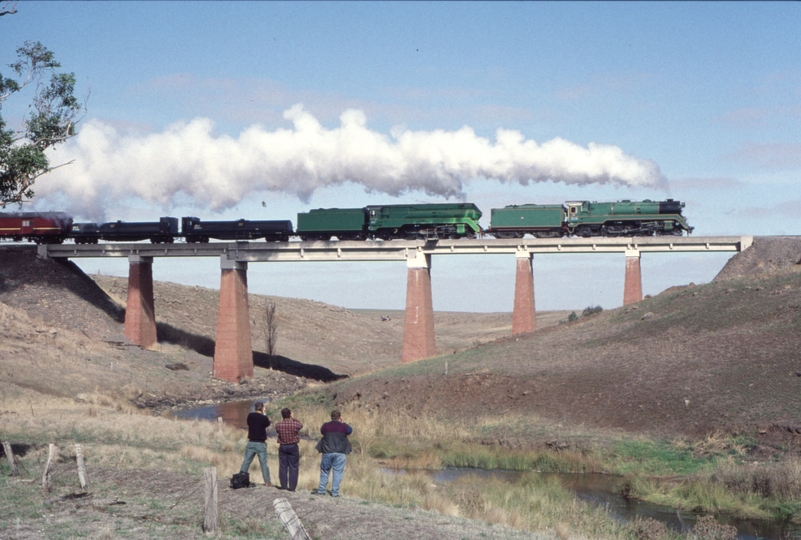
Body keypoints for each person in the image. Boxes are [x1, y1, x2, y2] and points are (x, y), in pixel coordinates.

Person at [312, 409, 352, 497]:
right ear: (339, 417)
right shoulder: (344, 426)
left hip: (327, 452)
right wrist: (343, 422)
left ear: (331, 417)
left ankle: (321, 490)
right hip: (340, 452)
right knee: (338, 472)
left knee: (325, 471)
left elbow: (322, 432)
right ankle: (335, 492)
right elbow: (350, 430)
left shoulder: (325, 426)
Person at [239, 401, 272, 486]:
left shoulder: (250, 416)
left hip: (251, 442)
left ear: (255, 408)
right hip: (260, 443)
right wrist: (264, 413)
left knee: (246, 462)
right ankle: (267, 482)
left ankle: (240, 479)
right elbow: (267, 424)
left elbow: (248, 423)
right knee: (263, 463)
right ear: (262, 408)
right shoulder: (263, 418)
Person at [274, 407, 303, 491]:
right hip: (293, 446)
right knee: (293, 467)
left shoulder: (278, 425)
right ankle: (292, 487)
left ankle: (283, 486)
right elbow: (300, 425)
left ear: (282, 415)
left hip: (283, 446)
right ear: (290, 414)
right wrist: (294, 418)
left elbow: (277, 431)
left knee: (283, 466)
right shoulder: (294, 424)